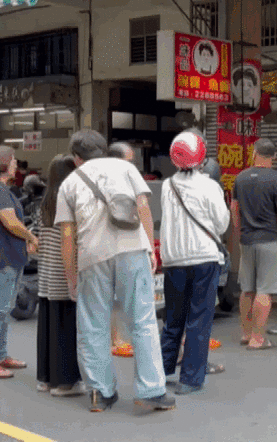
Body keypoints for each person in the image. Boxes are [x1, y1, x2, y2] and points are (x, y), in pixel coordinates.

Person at [55, 129, 175, 413]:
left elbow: (67, 236)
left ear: (76, 157)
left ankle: (101, 393)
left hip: (91, 256)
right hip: (131, 249)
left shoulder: (69, 183)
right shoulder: (125, 168)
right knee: (143, 321)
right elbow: (143, 208)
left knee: (93, 324)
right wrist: (149, 248)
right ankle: (152, 390)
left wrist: (71, 277)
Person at [160, 131, 230, 395]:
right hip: (203, 258)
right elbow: (222, 223)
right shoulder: (210, 186)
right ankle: (189, 379)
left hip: (174, 260)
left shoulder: (168, 186)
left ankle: (163, 369)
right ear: (202, 156)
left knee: (173, 319)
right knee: (199, 319)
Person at [0, 145, 38, 379]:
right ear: (3, 164)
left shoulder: (2, 190)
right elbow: (11, 223)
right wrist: (31, 236)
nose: (16, 164)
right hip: (0, 257)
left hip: (10, 256)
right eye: (13, 160)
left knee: (4, 309)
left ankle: (0, 355)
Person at [232, 138, 277, 349]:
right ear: (274, 157)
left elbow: (234, 209)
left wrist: (240, 231)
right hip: (270, 239)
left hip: (247, 240)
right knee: (264, 290)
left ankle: (245, 333)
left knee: (247, 289)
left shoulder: (240, 178)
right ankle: (258, 338)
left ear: (254, 153)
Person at [35, 155, 84, 397]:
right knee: (66, 329)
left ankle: (45, 378)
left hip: (46, 273)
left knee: (47, 327)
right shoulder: (70, 200)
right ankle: (64, 382)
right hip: (63, 272)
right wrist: (72, 275)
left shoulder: (44, 202)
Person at [106, 142, 136, 358]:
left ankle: (116, 338)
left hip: (120, 244)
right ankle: (114, 340)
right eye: (129, 161)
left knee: (114, 298)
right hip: (110, 246)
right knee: (109, 297)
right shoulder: (110, 181)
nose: (132, 165)